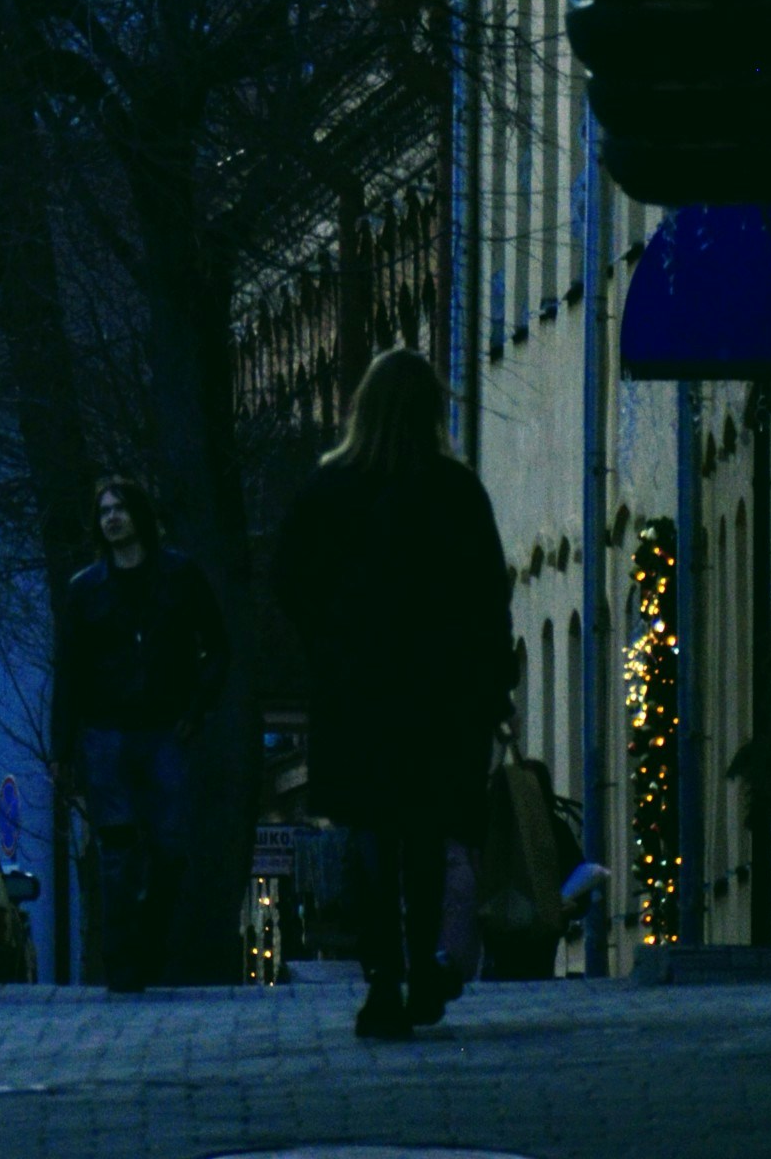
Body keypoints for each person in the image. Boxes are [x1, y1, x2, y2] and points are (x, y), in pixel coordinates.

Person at [270, 346, 512, 1042]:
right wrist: (492, 685)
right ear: (431, 412)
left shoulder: (330, 489)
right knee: (427, 837)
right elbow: (485, 597)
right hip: (440, 696)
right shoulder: (453, 490)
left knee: (370, 837)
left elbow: (289, 580)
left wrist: (331, 644)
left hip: (359, 696)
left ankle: (380, 977)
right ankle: (426, 964)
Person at [57, 470, 229, 990]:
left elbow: (218, 647)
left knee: (171, 848)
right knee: (116, 848)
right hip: (107, 730)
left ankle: (149, 946)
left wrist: (197, 707)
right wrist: (63, 748)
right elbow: (69, 670)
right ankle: (123, 964)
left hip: (163, 729)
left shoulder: (180, 577)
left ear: (139, 516)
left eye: (119, 508)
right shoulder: (85, 590)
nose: (111, 518)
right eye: (104, 510)